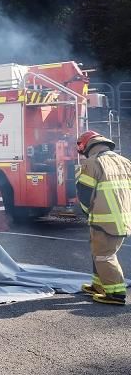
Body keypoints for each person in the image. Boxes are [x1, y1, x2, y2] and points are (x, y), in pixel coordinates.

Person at [76, 130, 131, 305]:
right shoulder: (125, 162)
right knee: (99, 252)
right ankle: (99, 285)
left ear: (87, 147)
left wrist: (87, 212)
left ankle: (116, 293)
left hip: (104, 220)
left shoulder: (92, 163)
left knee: (104, 256)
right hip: (123, 219)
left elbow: (85, 194)